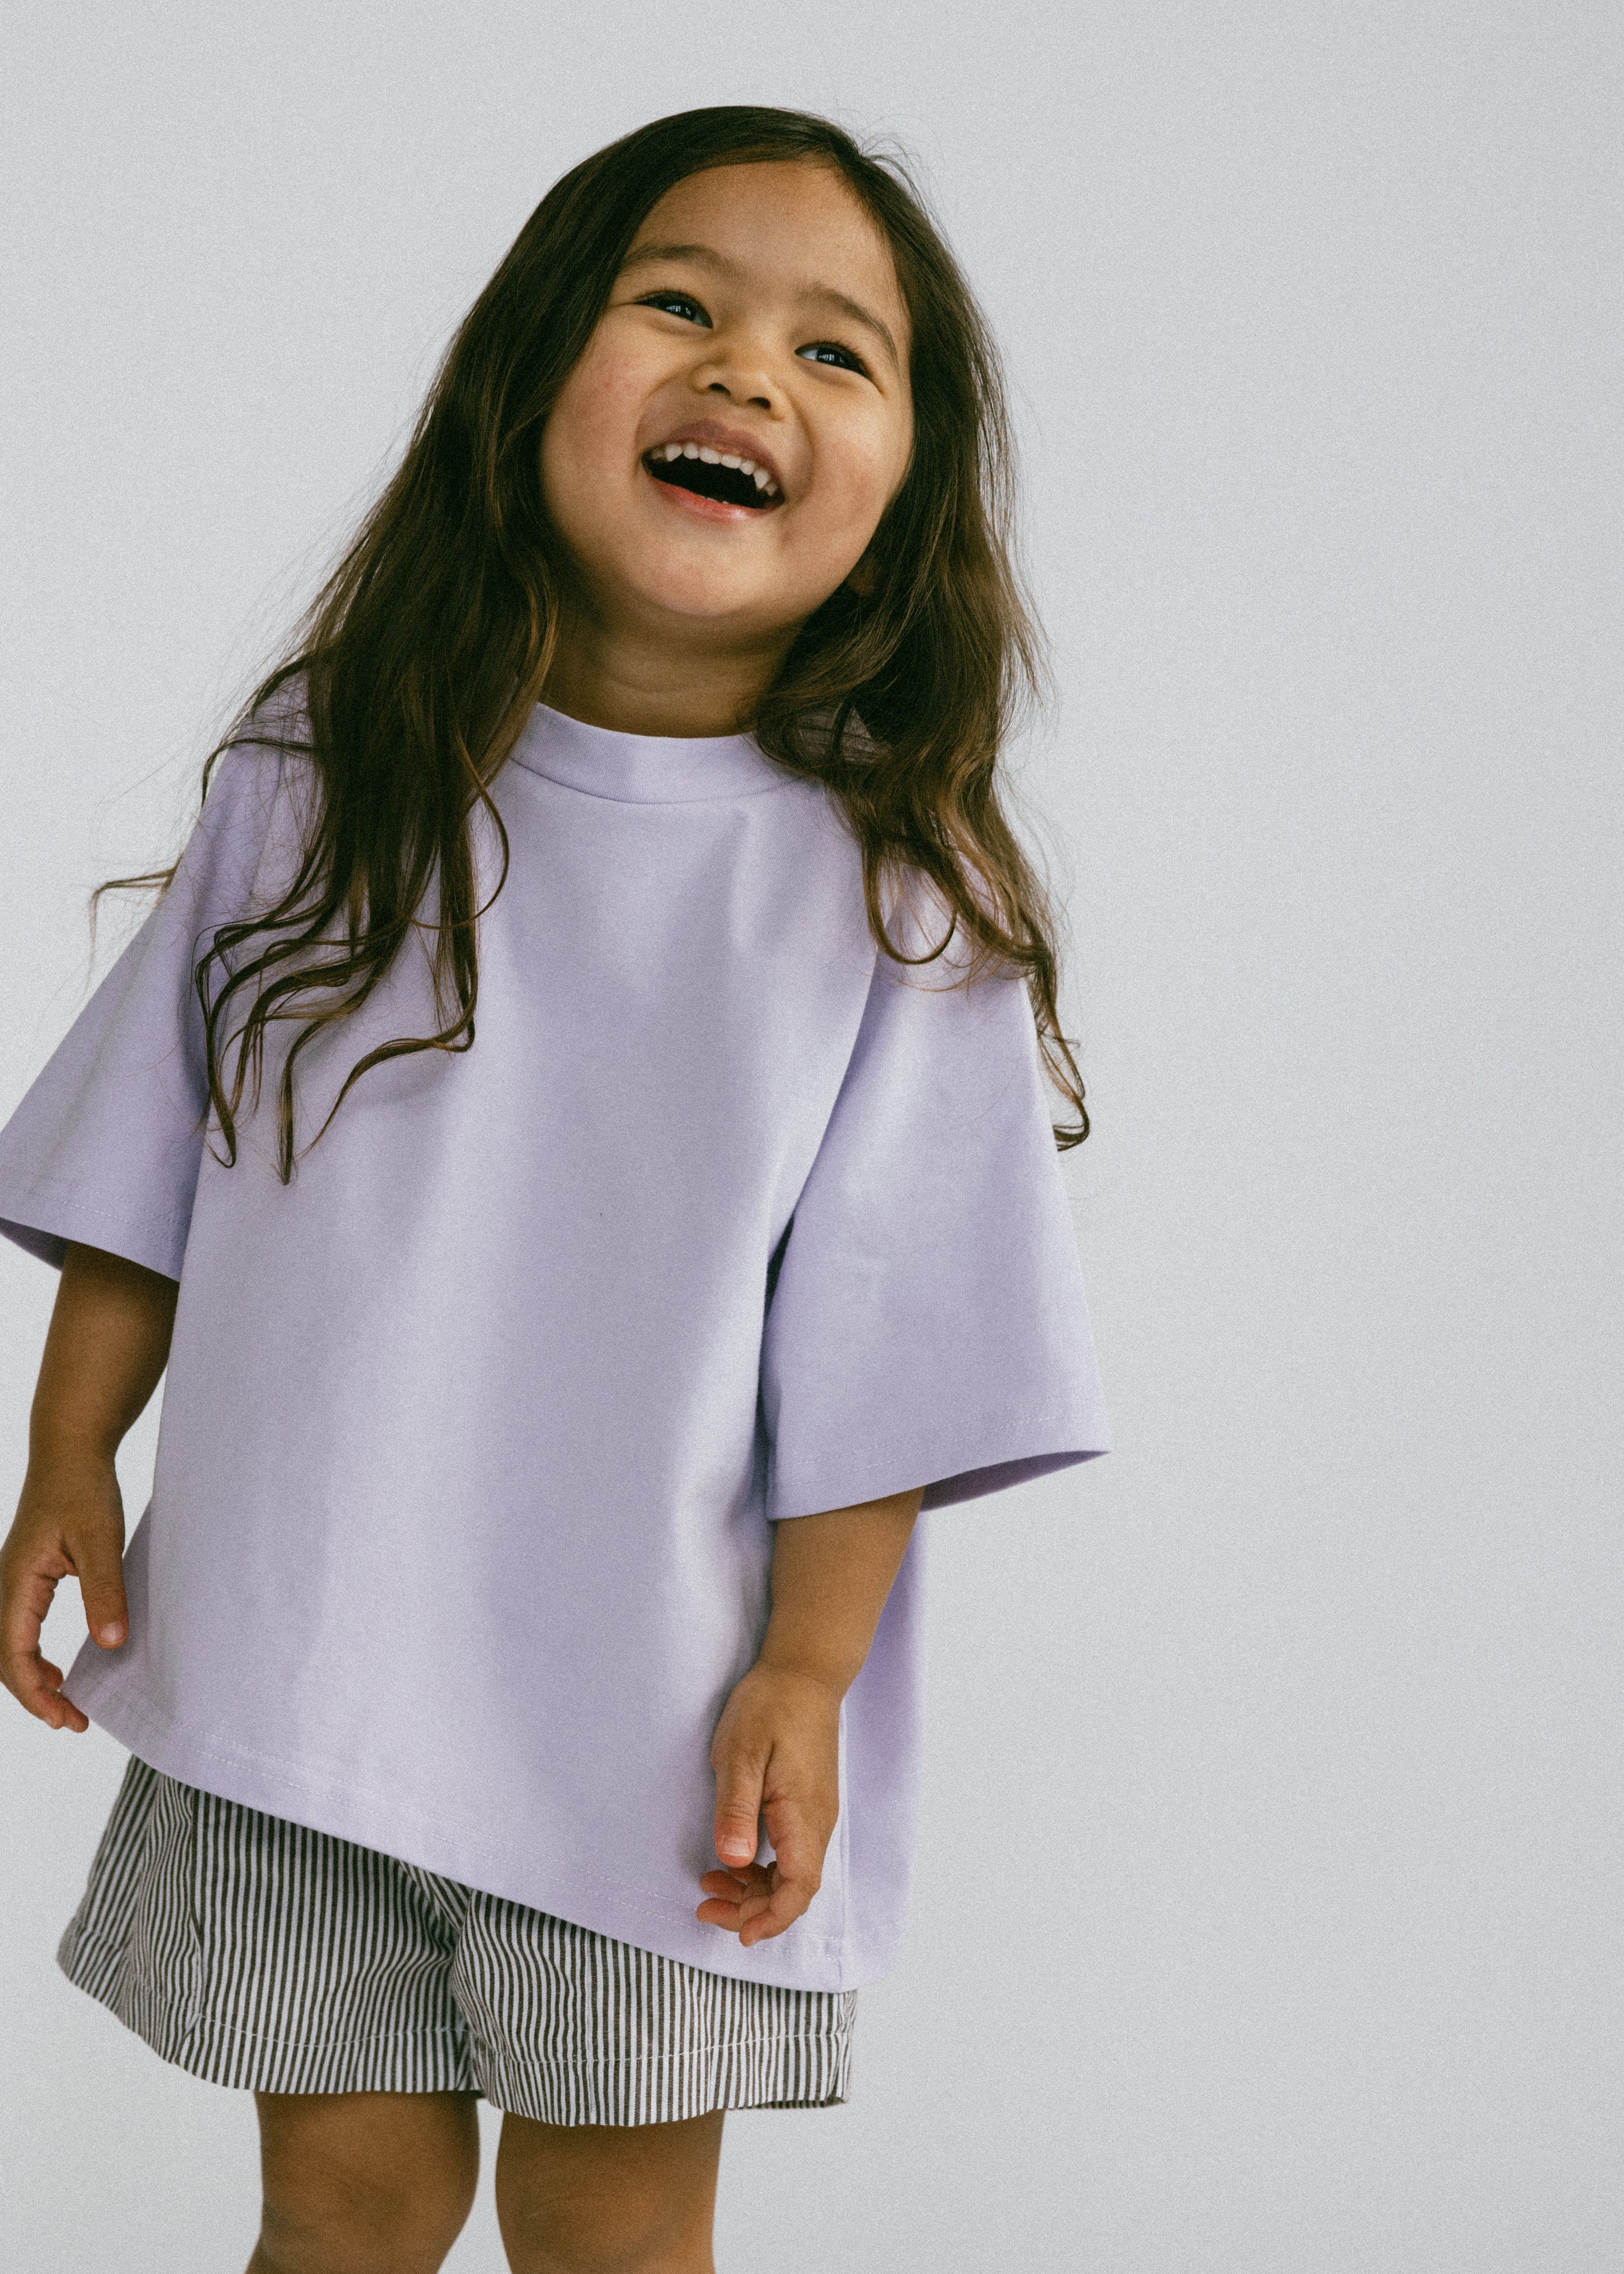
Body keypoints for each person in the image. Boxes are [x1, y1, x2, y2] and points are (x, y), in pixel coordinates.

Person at [0, 105, 1109, 2274]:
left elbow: (887, 1357)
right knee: (339, 2205)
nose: (747, 371)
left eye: (836, 351)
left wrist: (807, 1675)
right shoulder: (327, 778)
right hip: (298, 1660)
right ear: (527, 384)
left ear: (903, 502)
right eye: (677, 304)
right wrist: (65, 1451)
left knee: (611, 2225)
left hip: (651, 1721)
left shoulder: (892, 910)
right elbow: (152, 1163)